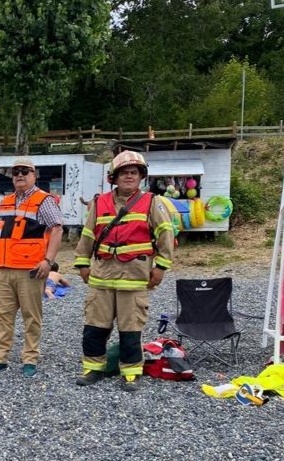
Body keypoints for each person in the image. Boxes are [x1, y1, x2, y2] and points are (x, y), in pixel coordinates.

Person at [73, 151, 175, 391]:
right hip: (102, 276)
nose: (129, 176)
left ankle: (131, 372)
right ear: (114, 177)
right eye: (123, 172)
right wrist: (82, 263)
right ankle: (93, 368)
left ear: (140, 176)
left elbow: (165, 235)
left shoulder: (152, 202)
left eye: (133, 172)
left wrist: (161, 267)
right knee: (94, 327)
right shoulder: (100, 203)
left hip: (134, 277)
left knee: (131, 329)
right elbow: (88, 235)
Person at [0, 157, 63, 378]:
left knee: (31, 316)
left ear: (34, 175)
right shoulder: (6, 201)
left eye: (25, 171)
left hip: (31, 270)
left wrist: (48, 261)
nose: (20, 175)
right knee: (3, 315)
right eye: (16, 172)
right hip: (5, 270)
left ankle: (30, 358)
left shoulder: (44, 200)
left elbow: (57, 229)